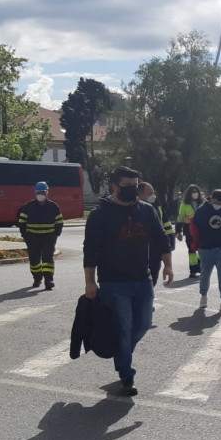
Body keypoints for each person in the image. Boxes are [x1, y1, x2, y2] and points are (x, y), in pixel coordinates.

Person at [83, 166, 173, 397]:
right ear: (114, 187)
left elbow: (161, 239)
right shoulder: (100, 215)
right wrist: (90, 282)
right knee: (124, 327)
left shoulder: (146, 210)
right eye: (127, 186)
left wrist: (168, 265)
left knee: (142, 324)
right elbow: (90, 250)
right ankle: (126, 375)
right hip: (113, 282)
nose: (132, 190)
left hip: (143, 279)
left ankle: (120, 352)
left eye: (135, 185)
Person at [190, 189, 221, 312]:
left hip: (219, 247)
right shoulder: (203, 210)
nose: (219, 202)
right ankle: (203, 296)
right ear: (212, 198)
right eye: (217, 199)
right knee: (206, 274)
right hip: (206, 248)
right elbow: (196, 228)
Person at [17, 181, 64, 289]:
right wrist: (25, 234)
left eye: (43, 192)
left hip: (49, 237)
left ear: (47, 192)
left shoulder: (53, 206)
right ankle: (37, 278)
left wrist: (56, 233)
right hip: (33, 237)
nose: (41, 194)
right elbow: (22, 221)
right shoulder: (29, 206)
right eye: (38, 192)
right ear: (35, 193)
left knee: (48, 259)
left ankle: (49, 280)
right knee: (34, 260)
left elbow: (59, 221)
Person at [139, 182, 175, 286]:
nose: (153, 196)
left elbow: (166, 224)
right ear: (140, 195)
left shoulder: (156, 206)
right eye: (150, 193)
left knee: (151, 282)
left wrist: (170, 241)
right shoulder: (133, 209)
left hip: (155, 253)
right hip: (140, 254)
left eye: (153, 193)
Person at [176, 185, 203, 278]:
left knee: (201, 249)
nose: (195, 194)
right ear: (189, 194)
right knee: (192, 250)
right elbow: (180, 218)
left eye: (196, 191)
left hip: (201, 230)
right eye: (193, 192)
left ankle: (200, 268)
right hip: (189, 230)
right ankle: (193, 270)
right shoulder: (184, 204)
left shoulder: (202, 203)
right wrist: (178, 231)